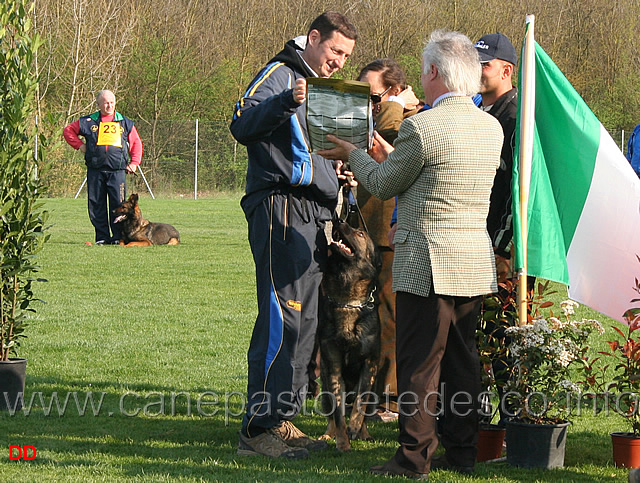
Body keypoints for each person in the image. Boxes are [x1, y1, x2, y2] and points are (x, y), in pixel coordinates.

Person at [319, 30, 503, 478]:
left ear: (436, 72)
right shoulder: (490, 126)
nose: (422, 78)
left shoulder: (422, 126)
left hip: (427, 263)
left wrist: (353, 151)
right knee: (462, 362)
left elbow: (383, 185)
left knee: (420, 365)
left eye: (424, 70)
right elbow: (436, 176)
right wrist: (388, 153)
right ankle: (461, 453)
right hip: (472, 263)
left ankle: (413, 457)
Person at [229, 11, 357, 460]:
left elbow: (318, 152)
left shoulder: (329, 90)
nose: (340, 62)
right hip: (279, 208)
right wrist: (284, 101)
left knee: (305, 320)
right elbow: (240, 124)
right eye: (335, 51)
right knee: (282, 315)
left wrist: (341, 174)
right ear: (314, 38)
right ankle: (256, 430)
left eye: (346, 56)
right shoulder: (281, 74)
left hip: (314, 213)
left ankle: (281, 417)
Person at [353, 58, 421, 421]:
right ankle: (362, 396)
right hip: (364, 230)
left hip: (391, 234)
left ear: (396, 92)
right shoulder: (380, 115)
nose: (368, 105)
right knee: (360, 320)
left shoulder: (411, 120)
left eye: (374, 98)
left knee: (390, 318)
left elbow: (386, 142)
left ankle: (389, 400)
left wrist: (393, 109)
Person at [63, 90, 142, 244]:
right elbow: (68, 131)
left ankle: (118, 238)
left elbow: (136, 143)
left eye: (112, 102)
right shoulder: (88, 121)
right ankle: (102, 238)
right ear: (98, 104)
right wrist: (80, 146)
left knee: (119, 206)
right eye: (105, 102)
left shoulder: (124, 122)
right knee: (96, 205)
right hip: (95, 170)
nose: (109, 105)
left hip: (117, 171)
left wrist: (134, 163)